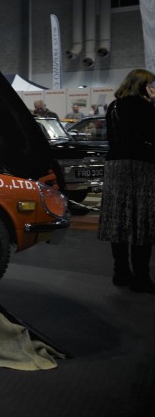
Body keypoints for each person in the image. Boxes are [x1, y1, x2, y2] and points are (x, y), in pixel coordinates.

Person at [98, 68, 155, 293]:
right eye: (150, 84)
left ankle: (120, 272)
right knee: (142, 223)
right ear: (142, 85)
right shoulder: (145, 108)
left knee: (119, 223)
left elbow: (112, 139)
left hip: (116, 167)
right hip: (142, 166)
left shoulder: (114, 106)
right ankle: (142, 278)